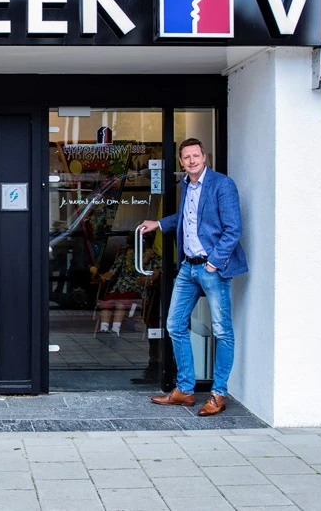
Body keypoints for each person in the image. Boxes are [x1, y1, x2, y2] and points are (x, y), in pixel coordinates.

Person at [138, 138, 247, 417]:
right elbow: (188, 218)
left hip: (212, 268)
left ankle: (218, 394)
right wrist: (159, 223)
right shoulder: (186, 185)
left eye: (195, 156)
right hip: (188, 268)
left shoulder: (222, 185)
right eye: (186, 157)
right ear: (181, 161)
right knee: (174, 324)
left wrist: (214, 263)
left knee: (222, 331)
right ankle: (185, 390)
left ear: (204, 157)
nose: (191, 161)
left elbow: (233, 229)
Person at [94, 244, 160, 336]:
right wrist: (103, 277)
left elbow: (156, 273)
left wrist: (149, 279)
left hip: (137, 288)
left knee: (121, 303)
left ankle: (115, 329)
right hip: (120, 287)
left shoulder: (153, 258)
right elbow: (111, 272)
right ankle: (104, 329)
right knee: (107, 302)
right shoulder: (124, 257)